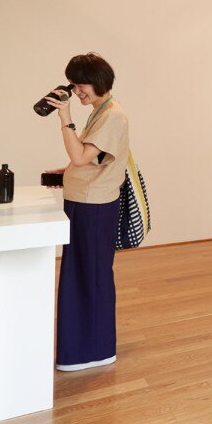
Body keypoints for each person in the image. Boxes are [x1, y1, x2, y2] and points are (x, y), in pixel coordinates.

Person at [45, 53, 129, 371]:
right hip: (85, 201)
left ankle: (96, 350)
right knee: (80, 275)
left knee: (90, 276)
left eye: (80, 85)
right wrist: (67, 172)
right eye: (73, 85)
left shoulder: (113, 116)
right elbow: (90, 159)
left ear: (97, 82)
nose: (76, 92)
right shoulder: (101, 110)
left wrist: (65, 118)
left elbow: (81, 157)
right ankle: (82, 348)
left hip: (94, 207)